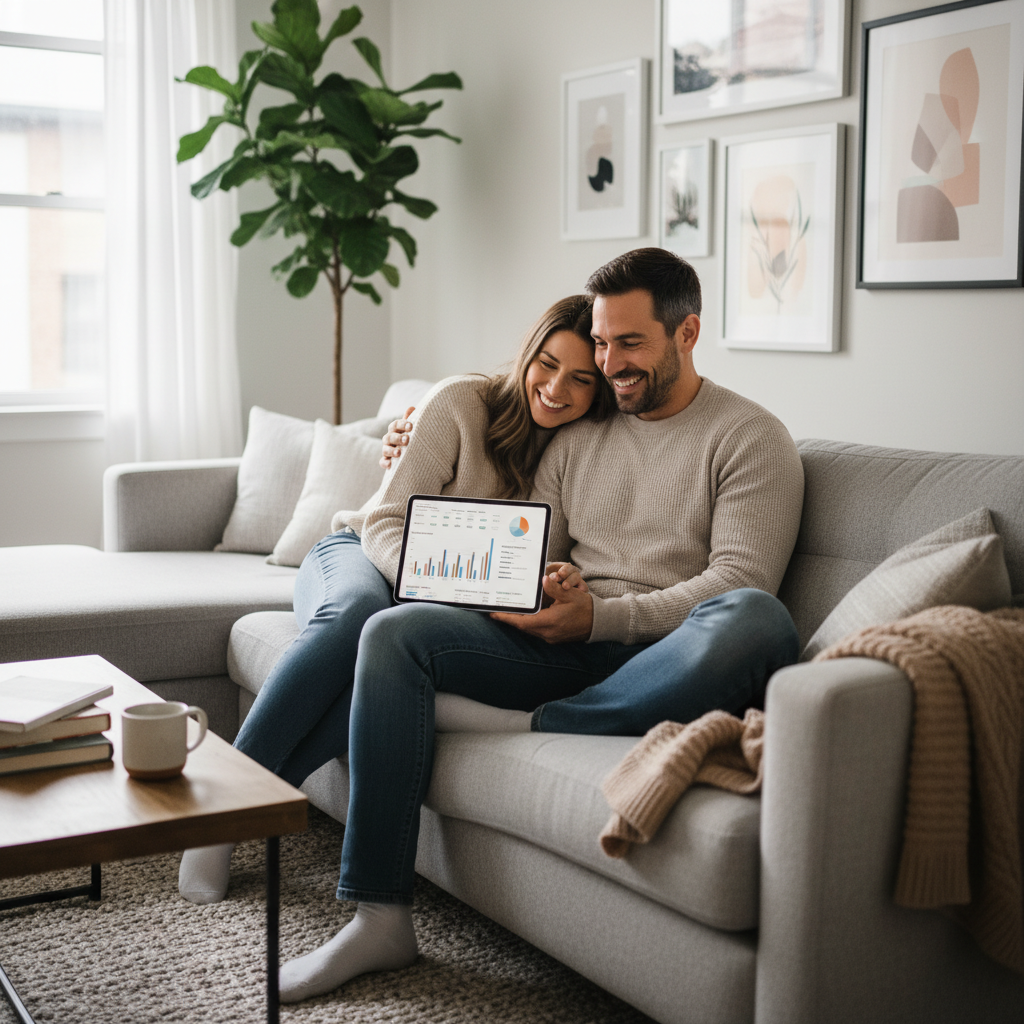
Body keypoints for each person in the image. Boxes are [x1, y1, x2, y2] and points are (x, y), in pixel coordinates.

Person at [275, 248, 806, 1003]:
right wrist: (544, 588)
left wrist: (606, 616)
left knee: (758, 620)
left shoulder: (751, 437)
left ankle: (541, 723)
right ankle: (379, 916)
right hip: (567, 644)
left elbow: (738, 582)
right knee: (393, 634)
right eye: (601, 341)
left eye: (630, 343)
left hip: (667, 652)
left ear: (687, 334)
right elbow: (539, 545)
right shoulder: (582, 432)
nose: (608, 362)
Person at [177, 294, 615, 904]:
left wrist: (551, 582)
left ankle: (235, 816)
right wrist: (434, 583)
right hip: (357, 555)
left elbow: (532, 563)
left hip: (437, 603)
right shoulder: (461, 402)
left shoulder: (580, 452)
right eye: (547, 363)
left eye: (581, 378)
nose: (556, 387)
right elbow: (384, 520)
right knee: (358, 617)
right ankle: (216, 814)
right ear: (525, 358)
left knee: (382, 661)